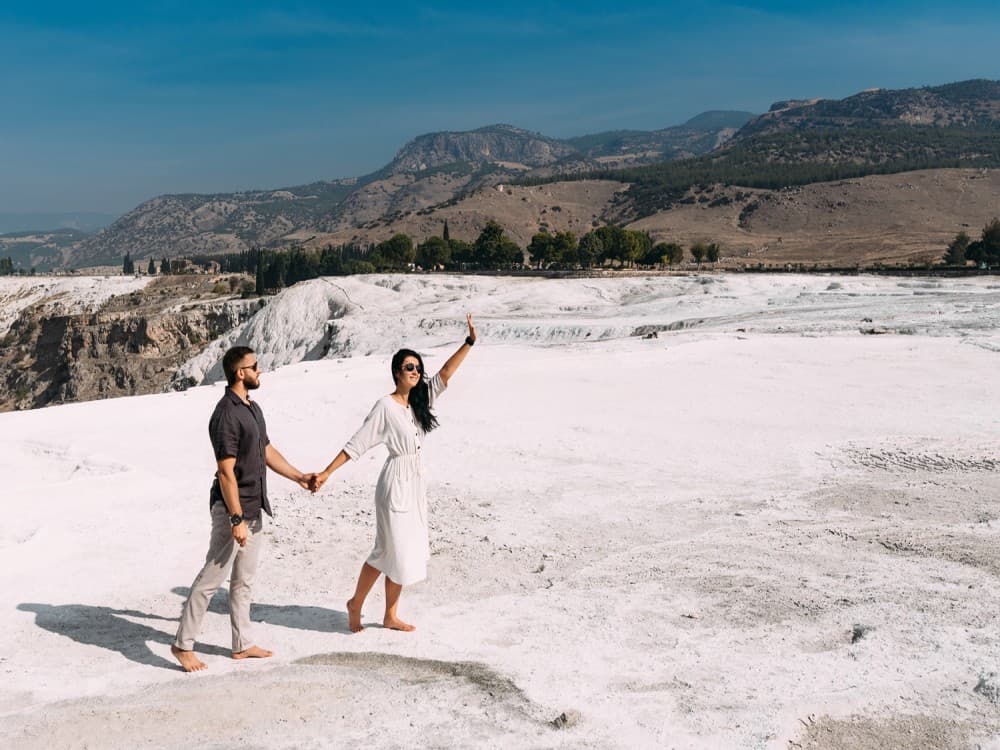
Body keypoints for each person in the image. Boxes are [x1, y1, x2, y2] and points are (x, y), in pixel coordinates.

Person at [312, 315, 477, 632]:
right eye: (409, 368)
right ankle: (356, 603)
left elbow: (445, 374)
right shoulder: (385, 406)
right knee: (387, 550)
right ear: (396, 373)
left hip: (414, 484)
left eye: (417, 368)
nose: (415, 372)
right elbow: (357, 442)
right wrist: (327, 472)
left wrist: (468, 343)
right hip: (394, 485)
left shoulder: (418, 402)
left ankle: (389, 614)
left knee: (402, 552)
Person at [172, 346, 314, 672]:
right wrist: (236, 518)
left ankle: (242, 644)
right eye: (254, 366)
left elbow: (266, 450)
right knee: (212, 577)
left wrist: (299, 477)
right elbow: (226, 472)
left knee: (243, 580)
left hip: (254, 506)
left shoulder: (252, 407)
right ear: (240, 373)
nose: (259, 370)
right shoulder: (225, 415)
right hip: (233, 510)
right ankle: (182, 644)